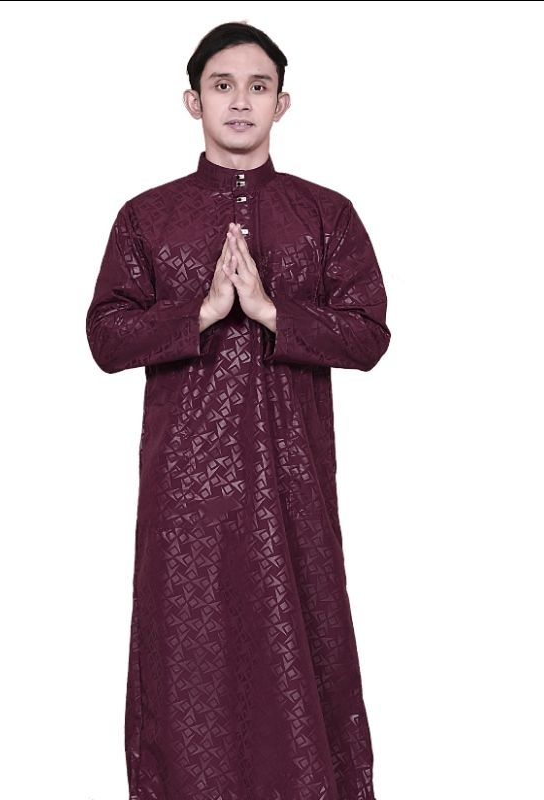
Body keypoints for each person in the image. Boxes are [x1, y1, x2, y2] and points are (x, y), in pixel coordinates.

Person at [86, 20, 390, 800]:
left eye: (259, 87)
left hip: (295, 486)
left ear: (283, 104)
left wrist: (270, 311)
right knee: (187, 662)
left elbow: (368, 334)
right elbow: (107, 336)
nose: (241, 102)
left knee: (307, 652)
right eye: (222, 86)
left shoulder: (326, 215)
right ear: (193, 101)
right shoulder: (147, 217)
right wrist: (200, 310)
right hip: (185, 494)